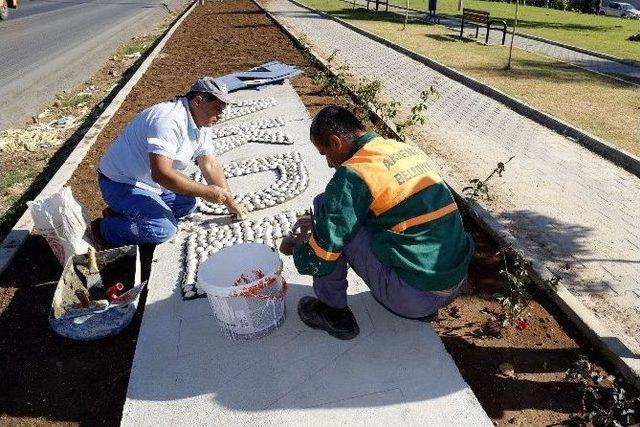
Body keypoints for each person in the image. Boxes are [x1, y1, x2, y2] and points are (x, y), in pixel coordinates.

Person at [280, 106, 475, 340]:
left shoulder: (354, 173)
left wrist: (299, 247)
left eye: (325, 154)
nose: (329, 163)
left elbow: (321, 255)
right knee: (343, 213)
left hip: (414, 298)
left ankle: (333, 313)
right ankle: (422, 304)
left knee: (324, 205)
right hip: (455, 280)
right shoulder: (401, 149)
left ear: (335, 142)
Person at [95, 77, 247, 246]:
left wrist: (229, 202)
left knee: (188, 203)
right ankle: (104, 229)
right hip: (121, 182)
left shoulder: (201, 124)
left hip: (149, 184)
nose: (220, 115)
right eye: (217, 108)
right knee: (162, 230)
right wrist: (207, 192)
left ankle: (124, 212)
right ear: (198, 101)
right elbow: (161, 174)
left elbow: (210, 164)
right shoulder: (169, 121)